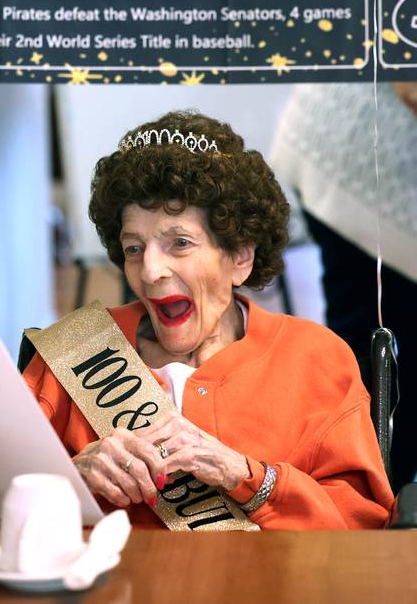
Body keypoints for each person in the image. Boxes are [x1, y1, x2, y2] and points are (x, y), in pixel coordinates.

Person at [22, 111, 394, 529]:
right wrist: (70, 479)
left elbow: (361, 528)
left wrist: (246, 477)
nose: (149, 271)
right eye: (133, 248)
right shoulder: (75, 351)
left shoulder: (314, 358)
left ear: (239, 257)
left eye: (179, 243)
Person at [270, 83, 417, 493]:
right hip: (365, 152)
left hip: (356, 151)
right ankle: (362, 501)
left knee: (364, 348)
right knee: (370, 354)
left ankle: (359, 497)